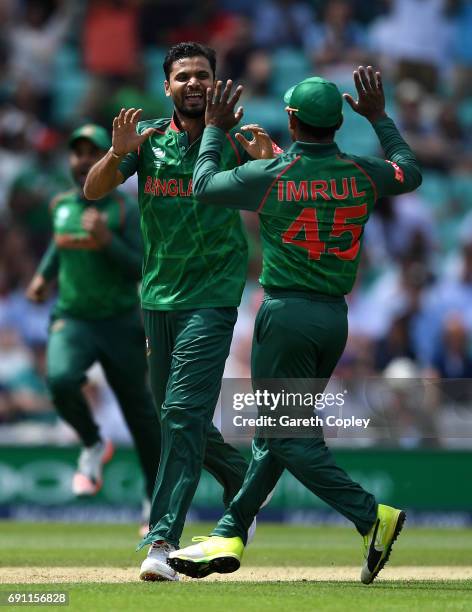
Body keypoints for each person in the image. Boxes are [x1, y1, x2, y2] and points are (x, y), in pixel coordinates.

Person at [168, 66, 422, 584]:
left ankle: (372, 515)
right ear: (338, 122)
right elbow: (409, 171)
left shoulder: (274, 174)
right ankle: (230, 530)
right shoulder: (359, 170)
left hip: (286, 317)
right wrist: (380, 118)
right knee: (273, 432)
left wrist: (214, 126)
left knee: (284, 436)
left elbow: (202, 186)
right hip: (333, 319)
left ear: (290, 118)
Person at [83, 42, 275, 582]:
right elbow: (93, 189)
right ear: (166, 86)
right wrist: (114, 154)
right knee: (174, 414)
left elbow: (282, 191)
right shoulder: (145, 138)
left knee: (185, 415)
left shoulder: (237, 140)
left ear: (215, 85)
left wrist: (269, 164)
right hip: (158, 297)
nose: (194, 83)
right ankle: (246, 485)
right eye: (183, 76)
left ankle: (161, 541)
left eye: (203, 76)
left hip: (212, 297)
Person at [26, 124, 161, 532]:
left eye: (93, 152)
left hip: (121, 321)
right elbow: (58, 244)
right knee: (62, 381)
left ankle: (154, 501)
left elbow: (142, 265)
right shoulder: (61, 205)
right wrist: (42, 275)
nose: (84, 160)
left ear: (109, 158)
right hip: (74, 318)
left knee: (141, 415)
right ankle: (92, 441)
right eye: (77, 153)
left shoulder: (124, 208)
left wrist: (107, 242)